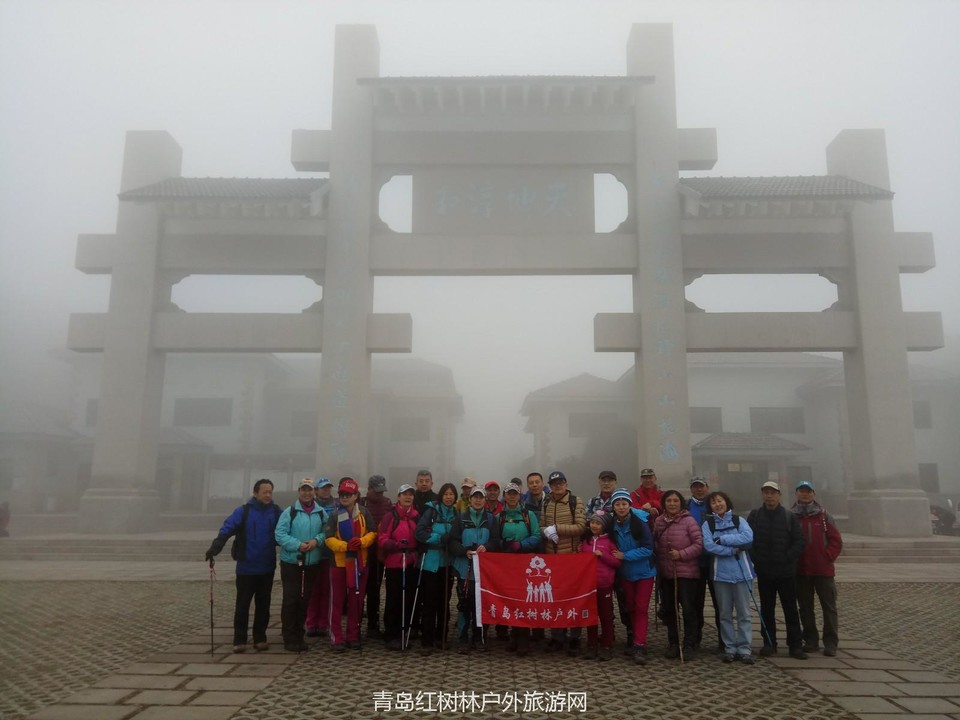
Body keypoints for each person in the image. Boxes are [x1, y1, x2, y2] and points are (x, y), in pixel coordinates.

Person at [205, 478, 281, 653]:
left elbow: (288, 529)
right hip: (246, 567)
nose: (268, 495)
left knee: (264, 605)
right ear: (256, 493)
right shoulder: (244, 511)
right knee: (242, 605)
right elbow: (227, 528)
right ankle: (239, 639)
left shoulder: (276, 512)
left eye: (270, 492)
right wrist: (215, 547)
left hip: (267, 567)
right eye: (265, 492)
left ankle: (260, 638)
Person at [747, 481, 807, 660]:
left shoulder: (789, 516)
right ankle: (769, 642)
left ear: (779, 495)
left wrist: (788, 557)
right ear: (762, 495)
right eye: (766, 492)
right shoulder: (755, 515)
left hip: (786, 572)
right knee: (767, 609)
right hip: (765, 572)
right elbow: (748, 539)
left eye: (772, 492)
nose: (769, 495)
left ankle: (795, 645)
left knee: (790, 609)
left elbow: (799, 541)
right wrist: (756, 559)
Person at [702, 491, 756, 664]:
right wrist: (732, 550)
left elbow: (747, 538)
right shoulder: (708, 524)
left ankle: (745, 648)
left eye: (720, 501)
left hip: (743, 574)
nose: (717, 504)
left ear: (726, 502)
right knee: (725, 614)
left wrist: (723, 539)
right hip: (720, 575)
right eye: (713, 502)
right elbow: (709, 546)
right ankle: (729, 648)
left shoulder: (739, 521)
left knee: (744, 614)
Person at [274, 478, 327, 652]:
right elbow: (279, 534)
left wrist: (316, 541)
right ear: (299, 492)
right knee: (291, 599)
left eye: (310, 490)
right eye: (303, 490)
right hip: (292, 562)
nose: (307, 493)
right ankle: (289, 637)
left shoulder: (320, 512)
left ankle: (299, 634)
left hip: (312, 562)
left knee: (304, 599)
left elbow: (327, 531)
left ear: (314, 492)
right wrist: (298, 545)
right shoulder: (290, 512)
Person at [324, 477, 377, 652]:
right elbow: (328, 538)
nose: (344, 497)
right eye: (342, 494)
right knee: (337, 601)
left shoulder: (364, 513)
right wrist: (345, 546)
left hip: (360, 563)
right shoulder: (334, 515)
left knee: (356, 601)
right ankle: (336, 636)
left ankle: (353, 635)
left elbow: (373, 533)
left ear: (356, 495)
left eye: (348, 494)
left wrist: (361, 542)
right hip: (339, 563)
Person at [791, 480, 843, 656]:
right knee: (805, 608)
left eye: (808, 491)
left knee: (828, 607)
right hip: (801, 570)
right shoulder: (791, 515)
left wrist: (827, 556)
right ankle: (811, 640)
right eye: (801, 491)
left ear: (813, 493)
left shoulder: (823, 515)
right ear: (796, 493)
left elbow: (836, 540)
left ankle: (830, 642)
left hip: (823, 570)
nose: (805, 494)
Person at [450, 486, 501, 652]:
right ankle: (463, 639)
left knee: (481, 604)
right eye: (475, 497)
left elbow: (496, 541)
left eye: (481, 497)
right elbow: (452, 542)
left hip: (484, 572)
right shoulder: (461, 518)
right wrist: (464, 551)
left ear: (485, 500)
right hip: (465, 570)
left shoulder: (491, 519)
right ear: (470, 500)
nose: (478, 500)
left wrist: (487, 547)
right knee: (465, 604)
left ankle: (480, 637)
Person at [653, 489, 703, 660]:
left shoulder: (689, 521)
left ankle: (689, 643)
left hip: (687, 574)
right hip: (666, 574)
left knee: (688, 609)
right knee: (669, 610)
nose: (672, 504)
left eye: (675, 501)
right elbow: (655, 542)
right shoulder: (659, 521)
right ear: (664, 503)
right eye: (669, 501)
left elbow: (698, 544)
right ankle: (673, 643)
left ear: (681, 503)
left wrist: (681, 554)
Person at [541, 470, 587, 656]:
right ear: (550, 486)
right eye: (554, 483)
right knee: (554, 599)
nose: (558, 486)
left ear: (566, 484)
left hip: (572, 558)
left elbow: (581, 527)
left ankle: (574, 637)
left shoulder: (576, 502)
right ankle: (557, 636)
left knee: (573, 598)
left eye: (560, 483)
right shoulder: (546, 502)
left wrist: (557, 528)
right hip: (552, 559)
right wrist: (547, 531)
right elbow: (542, 526)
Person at [610, 487, 656, 665]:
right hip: (626, 574)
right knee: (631, 607)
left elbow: (648, 548)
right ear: (613, 506)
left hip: (644, 571)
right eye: (618, 504)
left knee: (642, 607)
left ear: (629, 505)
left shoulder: (640, 523)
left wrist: (625, 556)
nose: (621, 507)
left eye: (624, 504)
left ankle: (639, 644)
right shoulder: (611, 524)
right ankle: (636, 639)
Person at [498, 482, 542, 655]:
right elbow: (495, 538)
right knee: (511, 600)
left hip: (526, 563)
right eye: (509, 493)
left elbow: (537, 536)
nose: (512, 496)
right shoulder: (499, 517)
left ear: (519, 495)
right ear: (505, 495)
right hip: (507, 564)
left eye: (515, 493)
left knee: (524, 601)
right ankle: (514, 636)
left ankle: (524, 639)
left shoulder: (528, 515)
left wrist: (521, 545)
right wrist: (505, 544)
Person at [415, 482, 459, 655]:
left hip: (447, 564)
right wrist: (439, 538)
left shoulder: (456, 514)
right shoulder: (430, 511)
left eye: (451, 494)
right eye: (446, 494)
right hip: (431, 564)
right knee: (429, 603)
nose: (449, 497)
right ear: (441, 495)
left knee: (444, 604)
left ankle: (441, 637)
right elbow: (419, 533)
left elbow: (458, 535)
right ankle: (427, 641)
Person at [378, 484, 420, 650]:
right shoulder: (391, 516)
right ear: (398, 497)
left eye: (410, 495)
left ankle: (404, 632)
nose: (408, 497)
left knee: (408, 599)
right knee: (393, 599)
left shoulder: (416, 516)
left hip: (411, 563)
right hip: (395, 563)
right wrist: (394, 545)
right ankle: (391, 634)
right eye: (404, 494)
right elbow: (381, 538)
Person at [687, 476, 722, 651]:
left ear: (707, 487)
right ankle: (695, 639)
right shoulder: (686, 507)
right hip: (695, 562)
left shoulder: (715, 505)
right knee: (696, 603)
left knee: (720, 602)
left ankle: (725, 640)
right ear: (691, 489)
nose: (699, 490)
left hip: (716, 561)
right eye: (695, 487)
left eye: (701, 486)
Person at [580, 510, 620, 661]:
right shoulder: (586, 542)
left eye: (598, 523)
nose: (594, 525)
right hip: (589, 586)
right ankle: (591, 645)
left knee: (606, 616)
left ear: (605, 525)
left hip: (605, 584)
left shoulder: (609, 542)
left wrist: (603, 555)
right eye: (592, 522)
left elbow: (617, 562)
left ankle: (606, 645)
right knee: (590, 616)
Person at [359, 474, 391, 639]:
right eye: (376, 491)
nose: (379, 495)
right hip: (362, 552)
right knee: (359, 590)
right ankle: (355, 625)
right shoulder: (361, 503)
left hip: (379, 554)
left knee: (375, 590)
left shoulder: (388, 503)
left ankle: (373, 625)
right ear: (369, 489)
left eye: (381, 491)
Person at [305, 477, 336, 638]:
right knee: (312, 590)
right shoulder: (311, 507)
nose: (326, 490)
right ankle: (311, 623)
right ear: (316, 490)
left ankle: (323, 623)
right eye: (323, 488)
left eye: (328, 487)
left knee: (326, 591)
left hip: (330, 555)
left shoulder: (337, 506)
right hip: (312, 554)